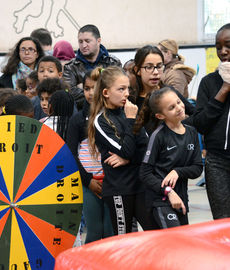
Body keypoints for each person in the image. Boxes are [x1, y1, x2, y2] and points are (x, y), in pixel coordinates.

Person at [88, 66, 150, 235]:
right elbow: (129, 150)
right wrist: (131, 122)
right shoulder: (101, 121)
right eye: (121, 89)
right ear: (106, 92)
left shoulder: (129, 112)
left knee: (153, 231)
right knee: (124, 239)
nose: (127, 94)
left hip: (140, 185)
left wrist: (127, 159)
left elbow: (147, 149)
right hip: (119, 190)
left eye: (128, 88)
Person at [140, 87, 203, 229]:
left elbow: (198, 168)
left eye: (179, 102)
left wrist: (178, 172)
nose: (179, 108)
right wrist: (168, 191)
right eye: (171, 107)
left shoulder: (192, 132)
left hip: (181, 199)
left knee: (182, 245)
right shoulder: (158, 136)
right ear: (160, 116)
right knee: (174, 241)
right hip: (160, 200)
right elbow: (145, 173)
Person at [67, 71, 113, 243]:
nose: (90, 93)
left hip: (111, 182)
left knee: (110, 231)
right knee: (94, 231)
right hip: (88, 183)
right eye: (87, 88)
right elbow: (71, 153)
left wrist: (111, 178)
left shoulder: (112, 116)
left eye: (95, 88)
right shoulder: (77, 120)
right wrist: (87, 181)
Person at [193, 23, 230, 220]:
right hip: (217, 162)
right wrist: (224, 90)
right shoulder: (209, 82)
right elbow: (200, 123)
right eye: (218, 47)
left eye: (228, 45)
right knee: (223, 221)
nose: (223, 52)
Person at [132, 45, 195, 133]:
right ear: (137, 70)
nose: (156, 72)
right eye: (149, 67)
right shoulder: (131, 97)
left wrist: (176, 125)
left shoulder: (168, 91)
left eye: (159, 66)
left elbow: (195, 114)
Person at [63, 24, 121, 110]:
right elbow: (69, 94)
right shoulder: (70, 67)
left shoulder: (113, 63)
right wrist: (102, 91)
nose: (83, 45)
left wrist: (83, 87)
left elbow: (118, 90)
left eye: (87, 41)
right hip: (82, 113)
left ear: (98, 41)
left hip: (110, 112)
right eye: (80, 41)